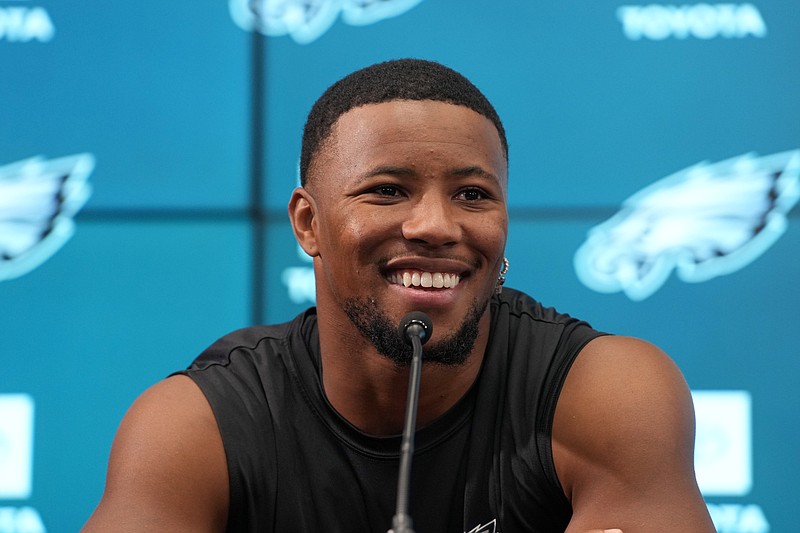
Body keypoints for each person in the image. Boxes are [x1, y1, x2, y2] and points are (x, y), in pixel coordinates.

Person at [82, 59, 715, 532]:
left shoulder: (608, 391)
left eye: (473, 195)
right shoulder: (196, 427)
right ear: (308, 224)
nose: (438, 226)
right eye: (386, 190)